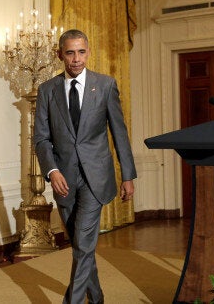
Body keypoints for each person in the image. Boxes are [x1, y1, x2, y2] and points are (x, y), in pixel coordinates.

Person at [34, 29, 137, 304]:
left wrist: (128, 175)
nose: (76, 59)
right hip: (63, 180)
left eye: (81, 52)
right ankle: (98, 296)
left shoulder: (105, 85)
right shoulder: (47, 90)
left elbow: (119, 133)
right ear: (60, 55)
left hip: (96, 177)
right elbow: (41, 139)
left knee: (82, 242)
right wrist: (52, 170)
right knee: (81, 245)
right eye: (70, 52)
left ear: (88, 52)